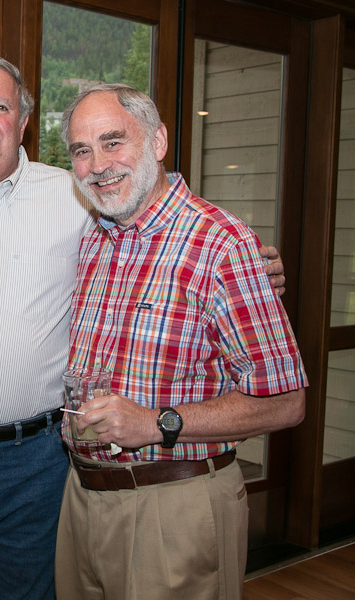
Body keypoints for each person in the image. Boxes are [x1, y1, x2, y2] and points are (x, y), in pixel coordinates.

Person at [0, 55, 288, 600]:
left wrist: (252, 267)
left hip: (38, 458)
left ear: (24, 122)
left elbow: (162, 223)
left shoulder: (78, 200)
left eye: (2, 107)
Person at [55, 83, 307, 600]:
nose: (98, 165)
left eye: (113, 142)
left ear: (158, 141)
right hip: (82, 497)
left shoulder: (222, 245)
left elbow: (286, 402)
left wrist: (154, 423)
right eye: (82, 151)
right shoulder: (94, 239)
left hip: (175, 504)